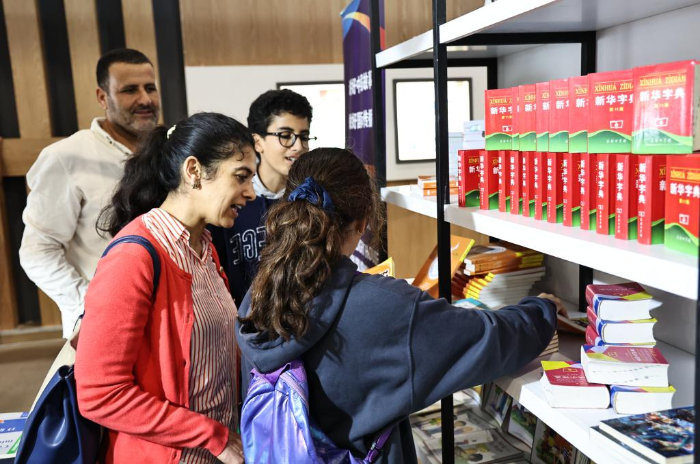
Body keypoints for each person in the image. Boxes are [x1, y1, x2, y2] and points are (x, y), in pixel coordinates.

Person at [236, 147, 562, 464]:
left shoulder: (259, 296)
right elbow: (492, 339)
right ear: (363, 222)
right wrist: (541, 308)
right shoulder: (384, 307)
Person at [75, 112, 255, 464]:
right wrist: (211, 435)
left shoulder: (204, 248)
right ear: (194, 170)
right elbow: (99, 393)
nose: (250, 192)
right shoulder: (134, 257)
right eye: (241, 176)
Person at [19, 48, 160, 338]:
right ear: (102, 97)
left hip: (167, 317)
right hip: (105, 326)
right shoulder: (66, 157)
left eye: (150, 88)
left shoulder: (168, 152)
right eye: (130, 90)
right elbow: (37, 252)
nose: (145, 99)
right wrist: (90, 304)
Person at [211, 88, 314, 307]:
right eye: (285, 136)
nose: (298, 146)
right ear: (257, 142)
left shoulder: (311, 199)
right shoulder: (230, 201)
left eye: (304, 136)